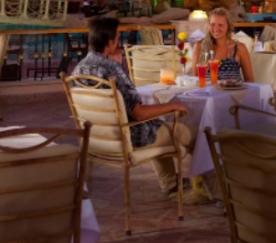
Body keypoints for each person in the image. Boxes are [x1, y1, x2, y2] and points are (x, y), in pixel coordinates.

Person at [71, 16, 192, 194]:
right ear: (110, 42)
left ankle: (170, 183)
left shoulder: (77, 70)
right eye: (117, 38)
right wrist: (173, 106)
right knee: (186, 132)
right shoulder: (112, 69)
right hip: (129, 138)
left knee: (158, 125)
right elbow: (139, 114)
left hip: (96, 139)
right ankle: (205, 187)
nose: (118, 41)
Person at [191, 8, 254, 82]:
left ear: (228, 27)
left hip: (233, 89)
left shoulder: (239, 48)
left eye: (220, 25)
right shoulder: (199, 46)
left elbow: (249, 80)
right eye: (212, 24)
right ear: (208, 25)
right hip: (208, 89)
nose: (216, 28)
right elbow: (195, 79)